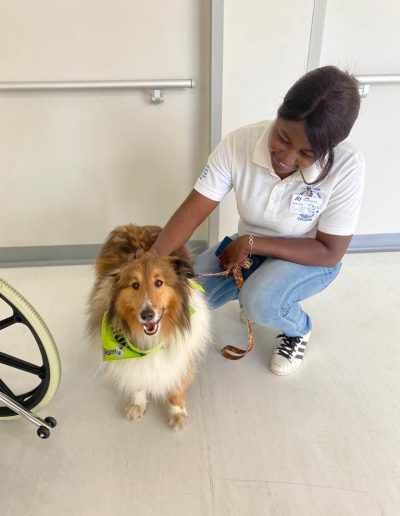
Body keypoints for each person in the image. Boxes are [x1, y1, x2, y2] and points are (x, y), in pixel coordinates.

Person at [148, 65, 365, 375]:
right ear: (278, 115)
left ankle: (297, 329)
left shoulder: (348, 166)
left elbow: (330, 251)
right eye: (282, 138)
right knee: (181, 302)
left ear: (328, 150)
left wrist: (251, 243)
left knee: (261, 301)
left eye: (306, 153)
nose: (286, 158)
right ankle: (255, 292)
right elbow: (192, 211)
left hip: (310, 257)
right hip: (246, 251)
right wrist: (151, 260)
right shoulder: (239, 143)